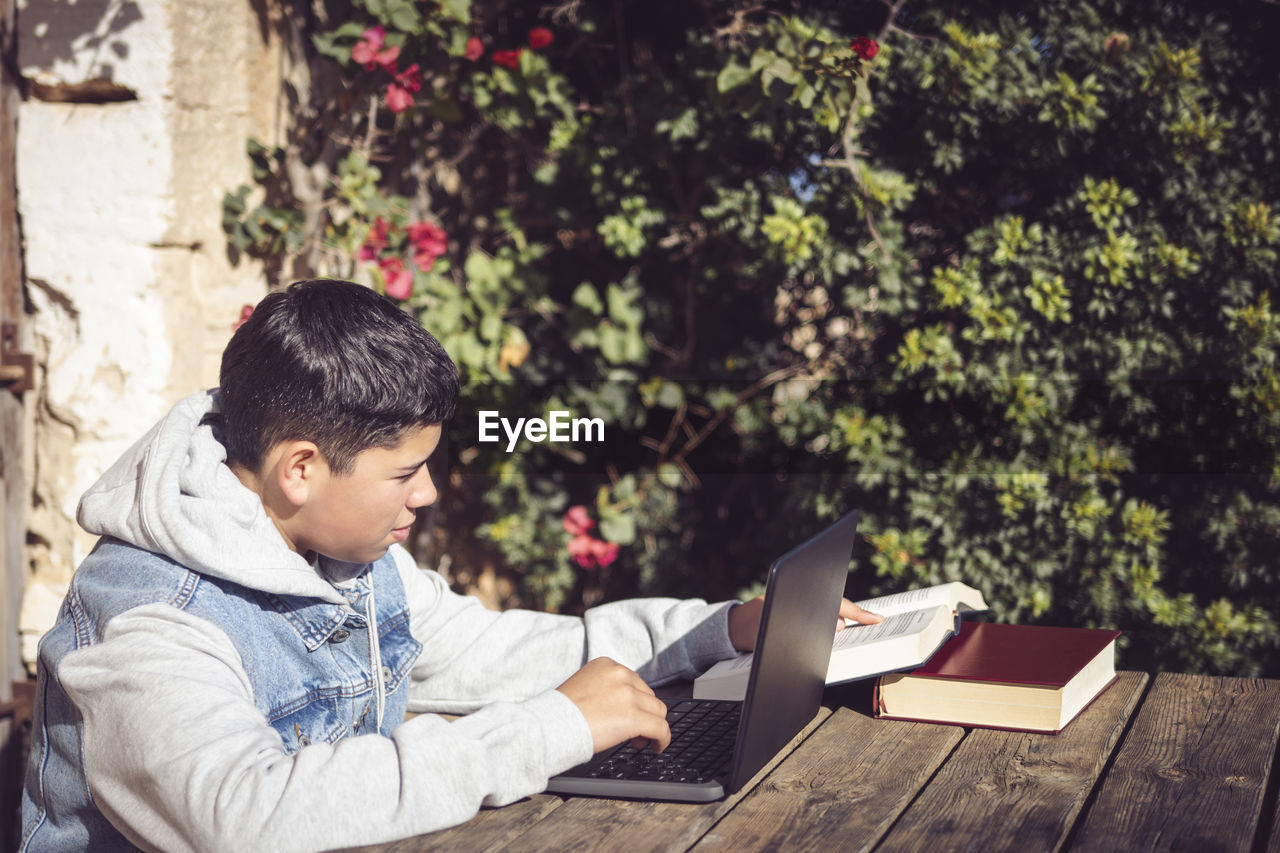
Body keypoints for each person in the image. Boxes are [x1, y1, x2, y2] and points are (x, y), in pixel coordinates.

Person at [20, 280, 879, 852]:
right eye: (403, 472)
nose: (427, 493)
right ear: (301, 468)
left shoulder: (337, 554)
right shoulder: (151, 620)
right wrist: (545, 729)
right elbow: (243, 814)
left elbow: (483, 650)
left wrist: (715, 628)